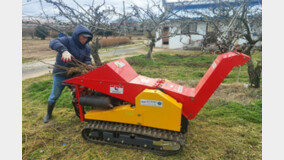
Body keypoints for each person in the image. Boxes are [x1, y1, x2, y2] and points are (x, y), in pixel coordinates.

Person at [44, 25, 93, 123]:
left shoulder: (86, 48)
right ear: (77, 35)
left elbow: (87, 58)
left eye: (87, 38)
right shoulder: (67, 40)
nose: (85, 39)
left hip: (75, 74)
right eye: (83, 37)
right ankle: (48, 114)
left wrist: (88, 65)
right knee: (55, 95)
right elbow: (53, 42)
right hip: (60, 73)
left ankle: (81, 114)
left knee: (77, 93)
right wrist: (63, 50)